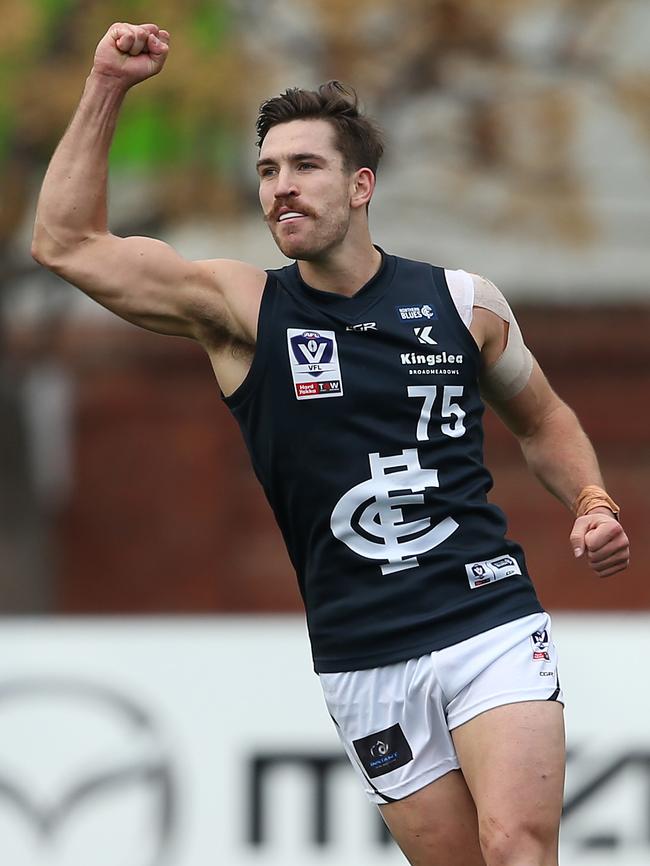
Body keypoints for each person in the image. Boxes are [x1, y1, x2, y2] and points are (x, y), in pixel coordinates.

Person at [32, 22, 630, 866]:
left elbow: (545, 418)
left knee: (518, 847)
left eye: (305, 167)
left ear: (360, 186)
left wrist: (592, 501)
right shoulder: (241, 311)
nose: (281, 187)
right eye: (268, 171)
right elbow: (64, 245)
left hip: (486, 616)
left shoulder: (463, 304)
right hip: (361, 654)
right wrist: (103, 85)